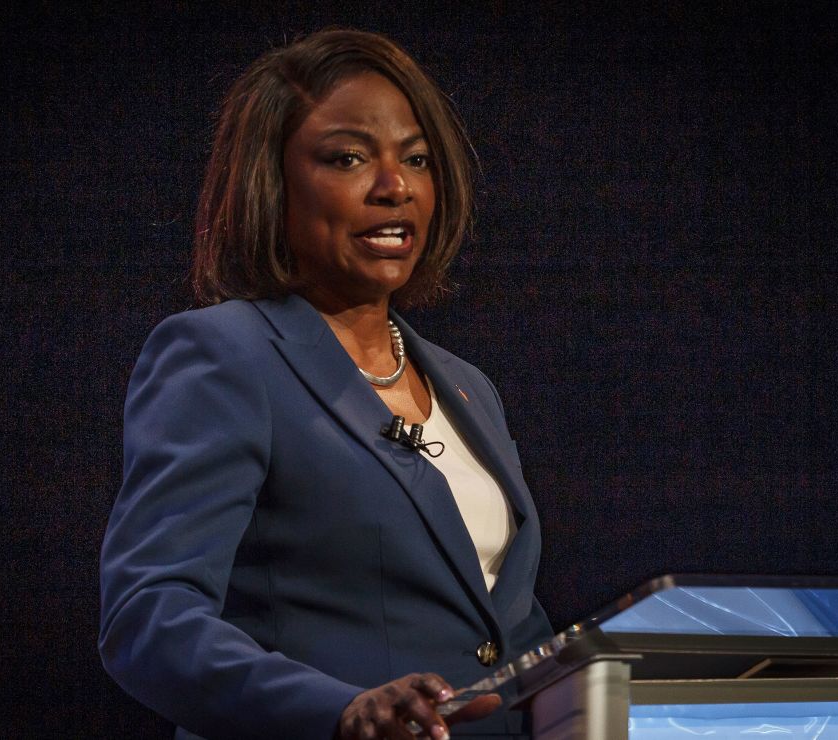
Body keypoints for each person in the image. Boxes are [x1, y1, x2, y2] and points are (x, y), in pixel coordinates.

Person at [99, 29, 553, 740]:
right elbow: (148, 617)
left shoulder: (469, 389)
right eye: (347, 158)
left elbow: (506, 629)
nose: (394, 186)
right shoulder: (226, 356)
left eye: (416, 159)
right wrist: (338, 711)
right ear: (273, 182)